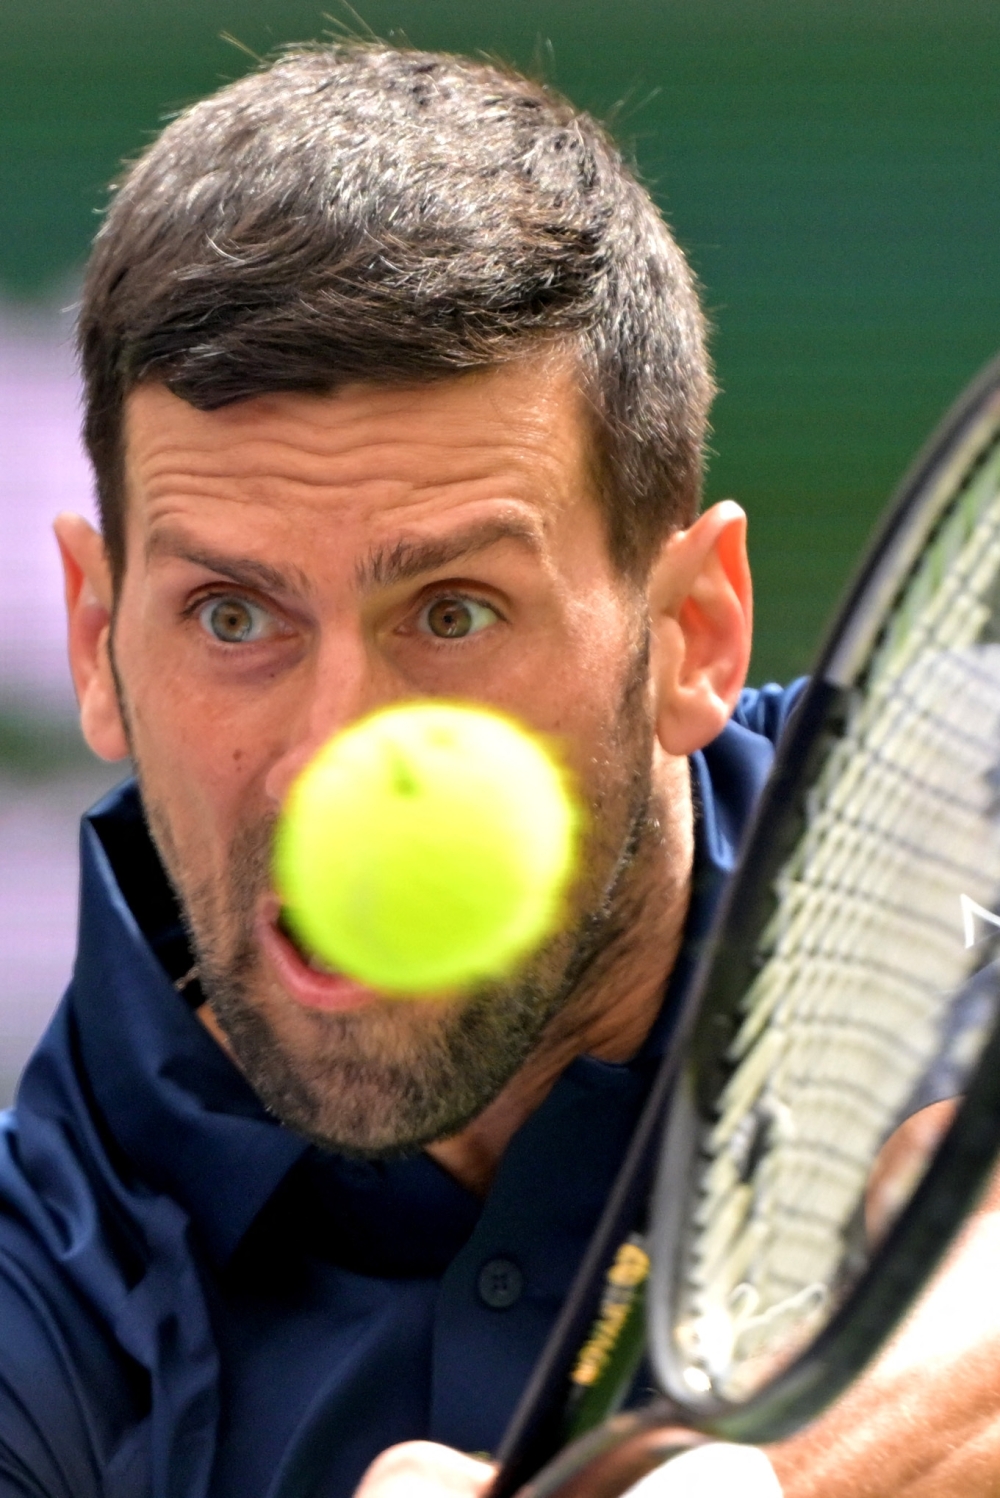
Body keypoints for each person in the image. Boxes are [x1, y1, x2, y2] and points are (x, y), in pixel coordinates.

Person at [3, 37, 994, 1498]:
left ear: (693, 635)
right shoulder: (44, 1304)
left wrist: (756, 1481)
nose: (336, 755)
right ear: (97, 641)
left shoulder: (938, 869)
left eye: (454, 611)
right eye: (233, 615)